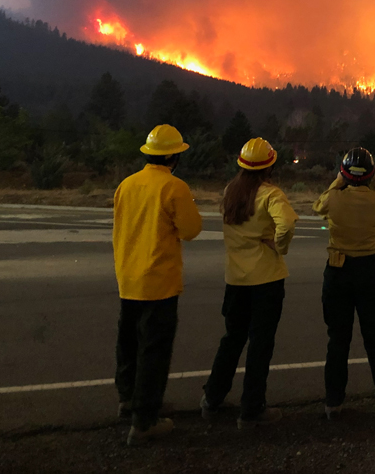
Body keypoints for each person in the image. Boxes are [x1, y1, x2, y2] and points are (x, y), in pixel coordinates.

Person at [113, 124, 203, 445]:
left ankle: (128, 399)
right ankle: (145, 420)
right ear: (175, 157)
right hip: (159, 281)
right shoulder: (174, 187)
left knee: (129, 343)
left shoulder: (126, 185)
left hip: (128, 278)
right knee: (154, 350)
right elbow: (191, 230)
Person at [201, 137, 298, 429]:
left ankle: (212, 399)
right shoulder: (271, 194)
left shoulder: (232, 191)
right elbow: (288, 224)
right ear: (270, 165)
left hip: (235, 279)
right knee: (260, 344)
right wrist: (278, 246)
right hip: (266, 280)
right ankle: (252, 409)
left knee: (232, 339)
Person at [313, 147, 375, 420]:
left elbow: (319, 206)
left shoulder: (333, 200)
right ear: (371, 175)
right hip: (370, 271)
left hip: (338, 271)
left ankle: (333, 403)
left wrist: (339, 180)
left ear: (344, 174)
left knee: (337, 340)